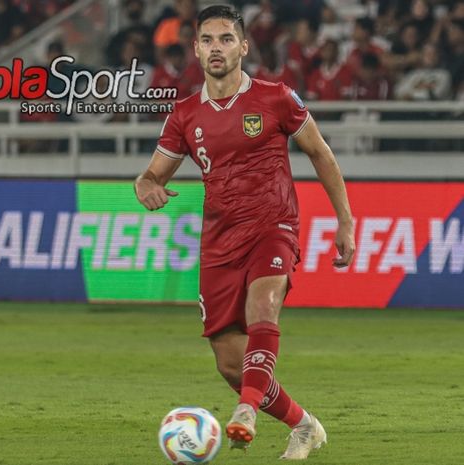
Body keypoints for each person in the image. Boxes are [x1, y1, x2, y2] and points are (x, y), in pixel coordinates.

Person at [133, 5, 355, 460]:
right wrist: (147, 186)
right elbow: (152, 175)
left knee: (263, 308)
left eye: (227, 39)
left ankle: (246, 413)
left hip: (273, 227)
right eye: (208, 40)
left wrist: (344, 221)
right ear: (196, 49)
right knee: (232, 364)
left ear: (244, 47)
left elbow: (320, 152)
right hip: (219, 242)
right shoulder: (184, 115)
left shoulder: (276, 98)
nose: (217, 48)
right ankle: (304, 424)